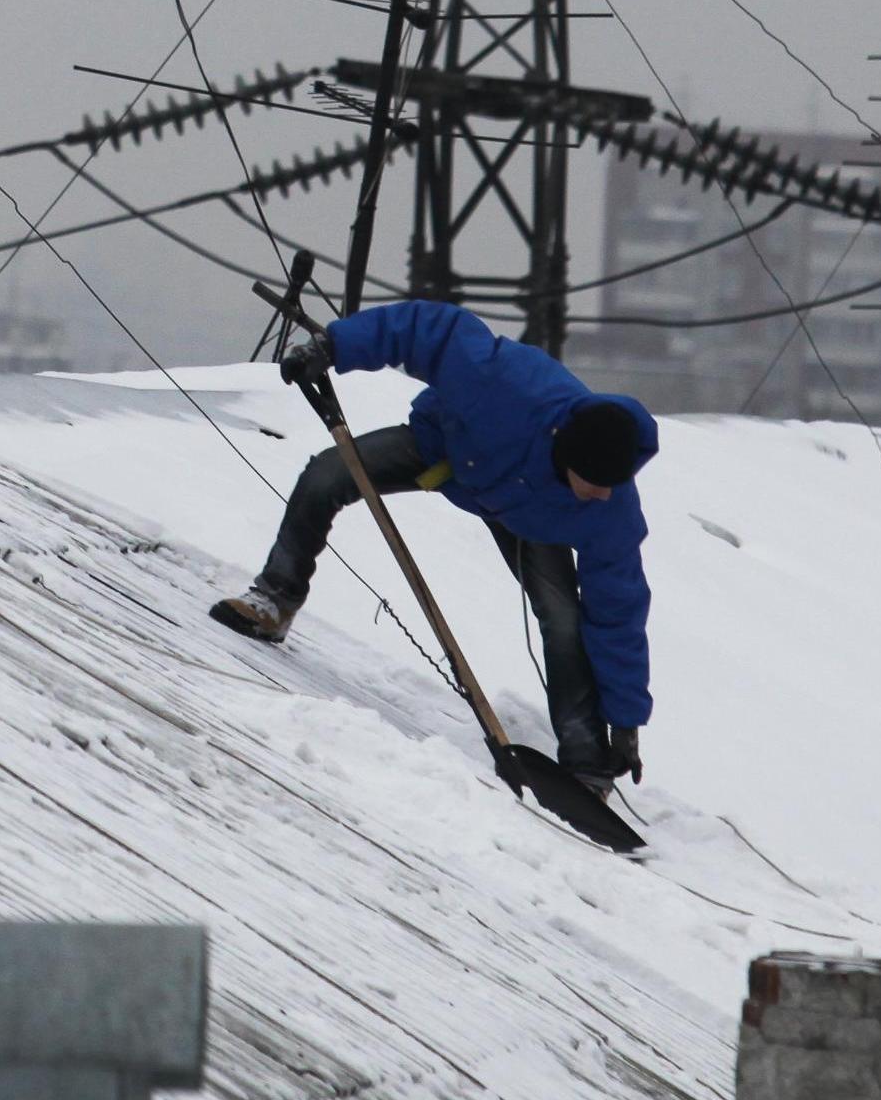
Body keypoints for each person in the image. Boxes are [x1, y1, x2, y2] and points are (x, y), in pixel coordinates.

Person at [212, 299, 660, 788]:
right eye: (593, 482)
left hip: (532, 523)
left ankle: (587, 764)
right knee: (327, 474)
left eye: (612, 485)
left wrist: (625, 721)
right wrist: (332, 347)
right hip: (450, 453)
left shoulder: (608, 507)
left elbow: (619, 611)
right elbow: (430, 329)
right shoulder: (502, 382)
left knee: (565, 620)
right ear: (569, 455)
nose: (602, 494)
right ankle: (275, 599)